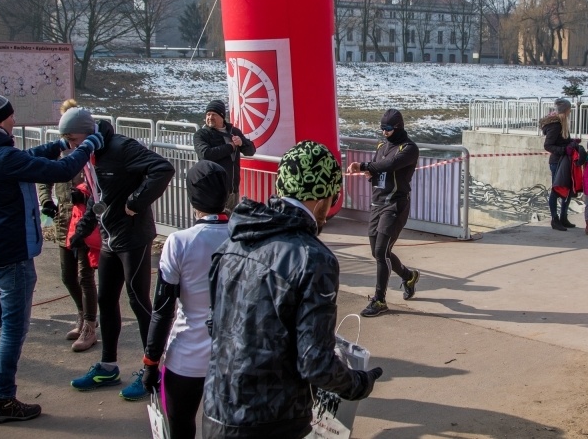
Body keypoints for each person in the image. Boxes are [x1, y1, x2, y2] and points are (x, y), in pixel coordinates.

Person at [203, 140, 383, 439]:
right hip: (274, 421)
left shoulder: (235, 240)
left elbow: (215, 324)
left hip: (216, 409)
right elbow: (315, 363)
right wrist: (358, 383)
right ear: (321, 198)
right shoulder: (314, 258)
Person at [0, 92, 102, 423]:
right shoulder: (3, 158)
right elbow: (61, 169)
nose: (14, 120)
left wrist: (56, 144)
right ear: (0, 120)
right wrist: (87, 144)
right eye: (11, 116)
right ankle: (3, 400)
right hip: (12, 256)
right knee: (13, 327)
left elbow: (28, 157)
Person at [69, 110, 175, 402]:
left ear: (88, 133)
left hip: (133, 237)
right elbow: (96, 195)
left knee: (138, 299)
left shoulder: (121, 147)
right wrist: (83, 227)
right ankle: (107, 366)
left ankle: (152, 370)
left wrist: (136, 201)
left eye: (73, 139)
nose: (71, 146)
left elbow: (163, 168)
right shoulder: (91, 156)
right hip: (109, 238)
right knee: (105, 299)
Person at [140, 161, 230, 438]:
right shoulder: (244, 237)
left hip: (186, 357)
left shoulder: (179, 242)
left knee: (180, 428)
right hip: (234, 357)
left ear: (192, 198)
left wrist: (150, 362)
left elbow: (163, 309)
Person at [37, 99, 99, 353]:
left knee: (86, 276)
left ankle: (90, 326)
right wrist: (45, 201)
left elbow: (98, 187)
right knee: (67, 275)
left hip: (84, 221)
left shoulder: (90, 152)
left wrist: (83, 196)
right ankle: (81, 313)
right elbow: (43, 177)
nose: (69, 140)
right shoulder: (59, 150)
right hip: (63, 219)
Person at [346, 108, 421, 318]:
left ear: (398, 128)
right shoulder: (381, 146)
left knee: (381, 251)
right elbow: (378, 169)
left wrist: (363, 165)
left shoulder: (409, 148)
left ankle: (379, 300)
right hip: (377, 204)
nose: (384, 133)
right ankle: (409, 276)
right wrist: (370, 172)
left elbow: (391, 164)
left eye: (387, 129)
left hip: (395, 205)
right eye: (381, 128)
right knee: (379, 252)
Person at [193, 100, 256, 212]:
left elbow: (251, 151)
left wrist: (242, 143)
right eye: (208, 114)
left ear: (222, 116)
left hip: (232, 190)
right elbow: (206, 154)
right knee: (214, 223)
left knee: (230, 224)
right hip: (212, 190)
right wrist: (231, 147)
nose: (210, 117)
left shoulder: (234, 131)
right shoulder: (201, 134)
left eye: (214, 114)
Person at [540, 98, 578, 231]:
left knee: (567, 190)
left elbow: (561, 141)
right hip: (557, 162)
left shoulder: (563, 123)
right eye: (569, 109)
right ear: (565, 111)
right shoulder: (556, 125)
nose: (570, 112)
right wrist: (563, 150)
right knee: (557, 190)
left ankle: (563, 217)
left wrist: (572, 142)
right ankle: (555, 219)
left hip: (565, 162)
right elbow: (548, 145)